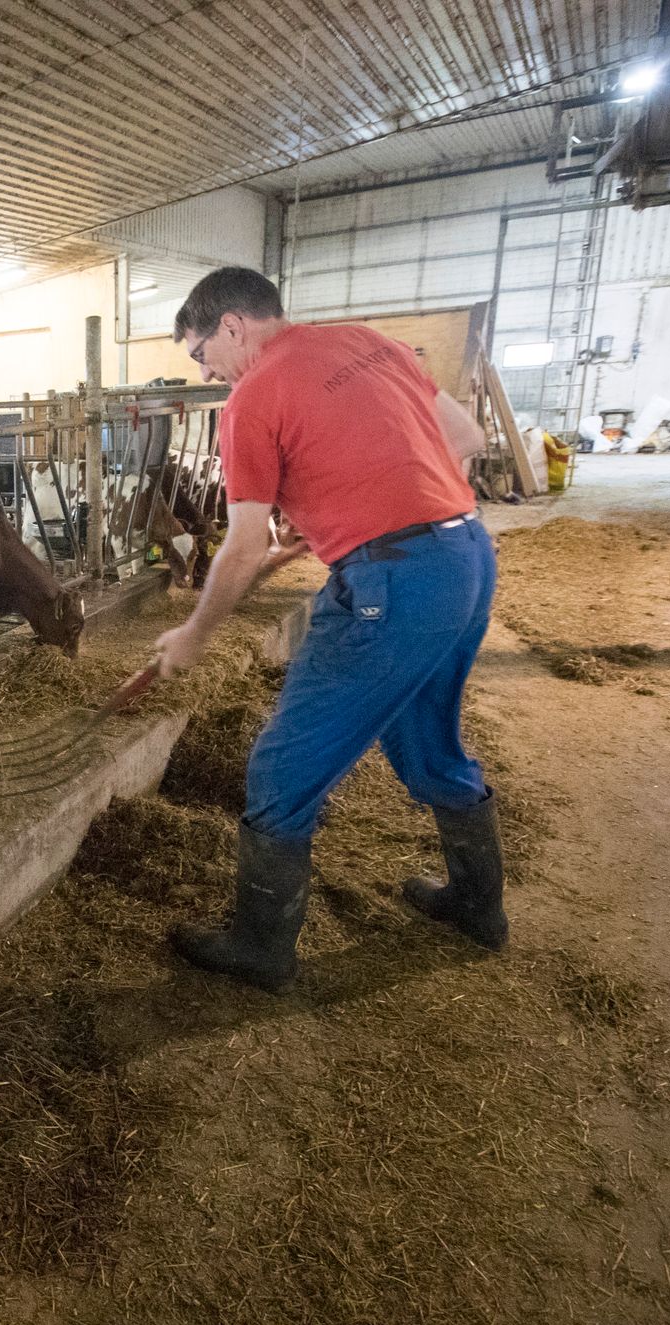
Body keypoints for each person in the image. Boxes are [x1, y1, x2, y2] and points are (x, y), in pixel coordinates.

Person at [153, 267, 504, 993]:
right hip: (466, 556)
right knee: (425, 740)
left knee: (281, 768)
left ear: (231, 327)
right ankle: (478, 905)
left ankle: (260, 948)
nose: (207, 370)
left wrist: (192, 636)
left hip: (393, 584)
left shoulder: (250, 398)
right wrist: (359, 503)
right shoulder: (369, 342)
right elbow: (463, 437)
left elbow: (244, 545)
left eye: (200, 354)